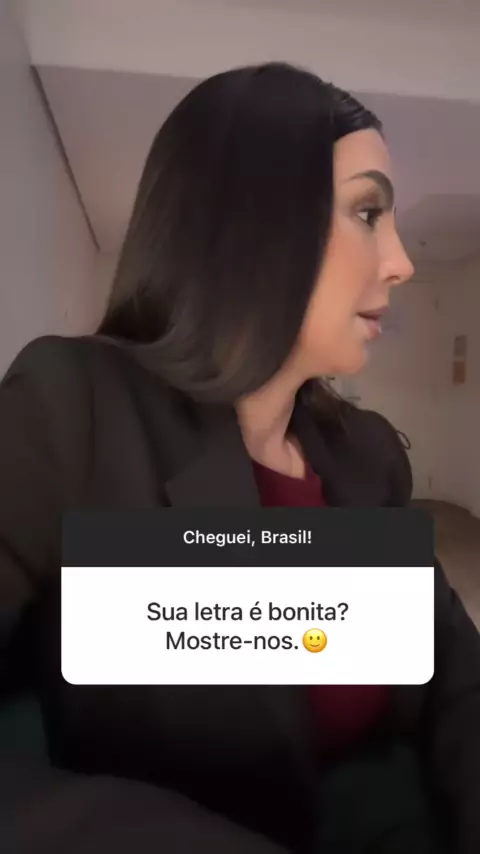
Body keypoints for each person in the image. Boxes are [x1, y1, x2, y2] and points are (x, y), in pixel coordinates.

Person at [0, 62, 479, 854]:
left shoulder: (365, 456)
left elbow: (454, 671)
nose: (400, 261)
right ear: (253, 222)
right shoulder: (69, 411)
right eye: (368, 212)